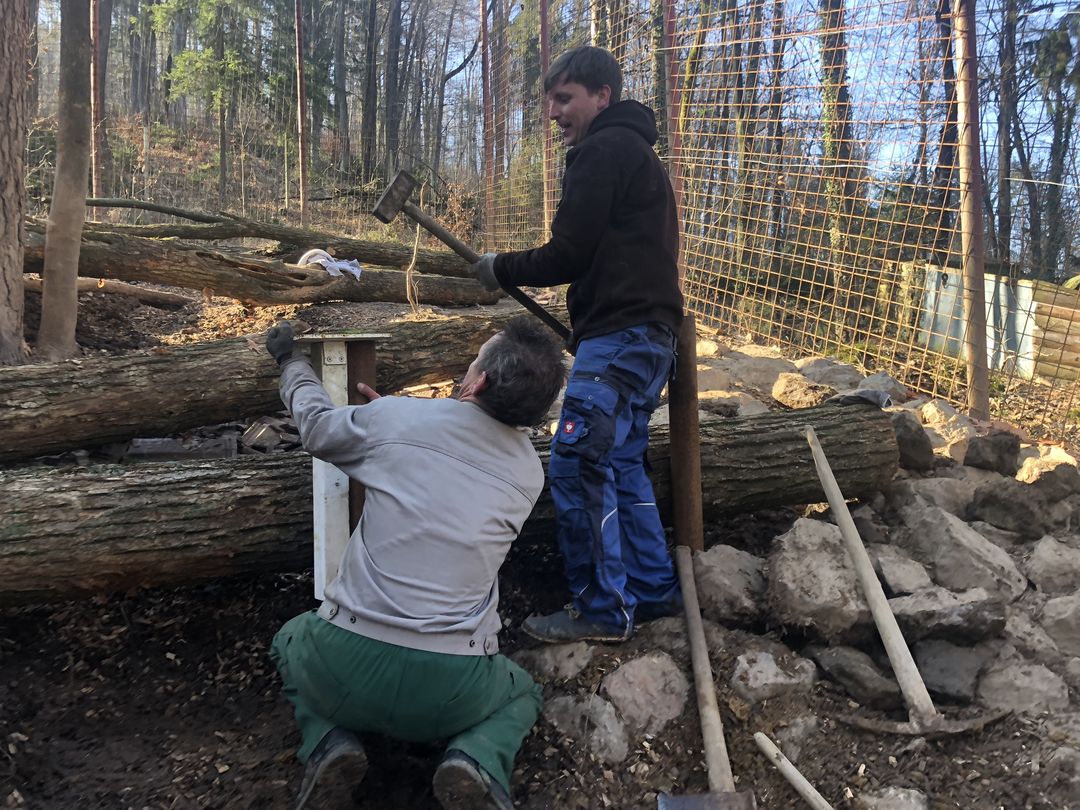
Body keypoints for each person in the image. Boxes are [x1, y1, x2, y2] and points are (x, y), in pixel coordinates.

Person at [264, 316, 566, 810]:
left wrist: (290, 362)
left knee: (288, 640)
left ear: (478, 381)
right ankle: (476, 757)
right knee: (521, 693)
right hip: (452, 690)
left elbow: (318, 429)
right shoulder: (529, 474)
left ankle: (326, 740)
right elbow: (452, 466)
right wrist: (400, 427)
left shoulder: (401, 420)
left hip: (343, 668)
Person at [471, 45, 684, 644]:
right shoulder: (637, 153)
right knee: (620, 462)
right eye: (551, 101)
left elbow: (569, 251)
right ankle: (651, 590)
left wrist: (501, 266)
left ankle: (600, 609)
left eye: (564, 99)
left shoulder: (602, 150)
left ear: (602, 97)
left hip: (619, 336)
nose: (554, 113)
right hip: (647, 337)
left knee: (577, 462)